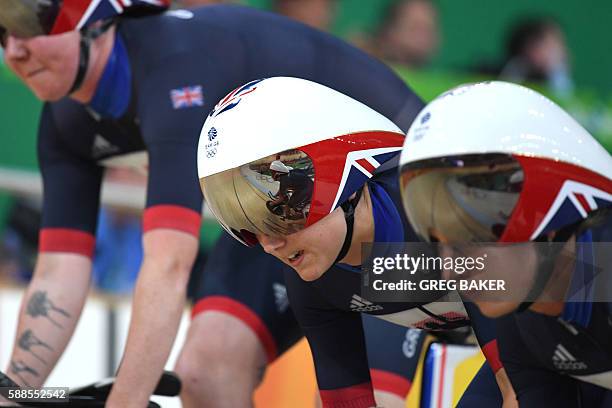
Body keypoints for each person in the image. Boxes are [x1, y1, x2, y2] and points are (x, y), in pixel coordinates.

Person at [0, 2, 426, 407]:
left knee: (372, 397)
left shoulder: (171, 66)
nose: (13, 50)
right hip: (275, 211)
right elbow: (58, 273)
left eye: (28, 23)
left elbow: (169, 264)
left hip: (379, 197)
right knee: (205, 372)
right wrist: (13, 394)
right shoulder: (64, 119)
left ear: (96, 19)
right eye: (2, 34)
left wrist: (125, 400)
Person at [197, 76, 516, 407]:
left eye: (280, 215)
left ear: (348, 181)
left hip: (558, 309)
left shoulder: (447, 221)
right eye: (245, 223)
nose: (268, 244)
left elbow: (521, 387)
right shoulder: (311, 278)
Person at [398, 81, 612, 406]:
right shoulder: (519, 313)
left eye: (469, 239)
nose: (449, 273)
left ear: (552, 205)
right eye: (437, 243)